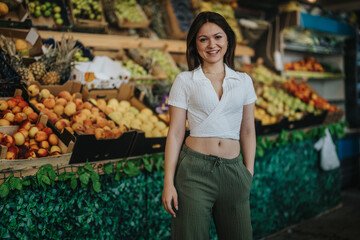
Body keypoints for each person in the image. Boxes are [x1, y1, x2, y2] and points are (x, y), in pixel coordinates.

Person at [161, 11, 257, 240]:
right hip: (194, 172)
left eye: (218, 37)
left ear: (228, 40)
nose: (211, 44)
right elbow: (175, 133)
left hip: (234, 172)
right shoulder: (185, 80)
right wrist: (168, 183)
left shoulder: (243, 81)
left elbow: (248, 130)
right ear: (195, 44)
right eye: (203, 39)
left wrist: (248, 174)